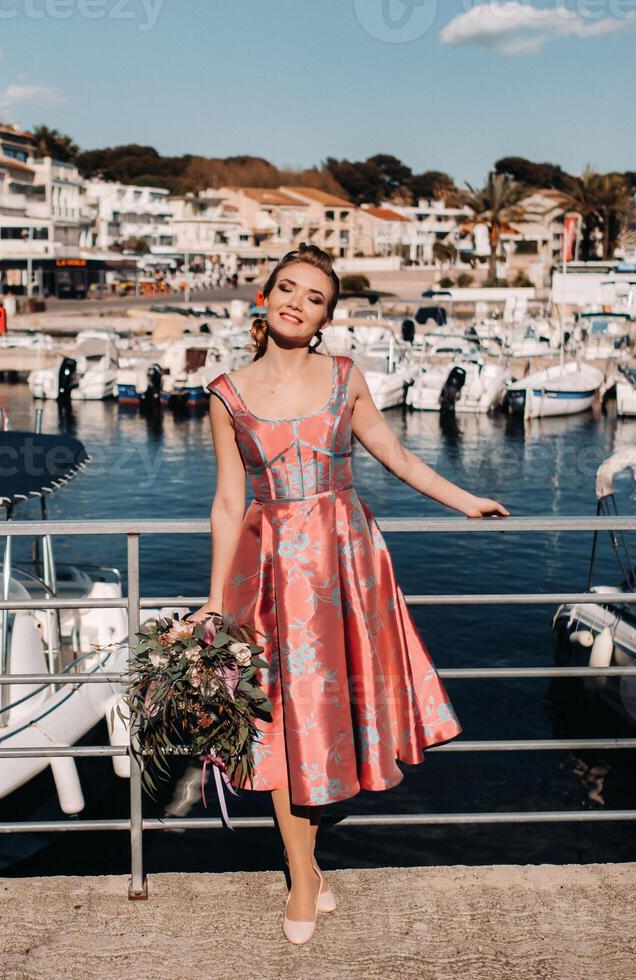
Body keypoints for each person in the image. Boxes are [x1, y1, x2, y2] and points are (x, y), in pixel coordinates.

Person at [193, 243, 509, 945]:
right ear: (264, 297)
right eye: (286, 288)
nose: (296, 302)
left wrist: (464, 501)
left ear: (326, 318)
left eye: (313, 297)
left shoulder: (345, 378)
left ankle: (307, 857)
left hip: (344, 566)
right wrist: (215, 600)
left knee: (335, 719)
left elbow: (394, 457)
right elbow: (224, 502)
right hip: (267, 570)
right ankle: (302, 876)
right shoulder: (226, 393)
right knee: (275, 719)